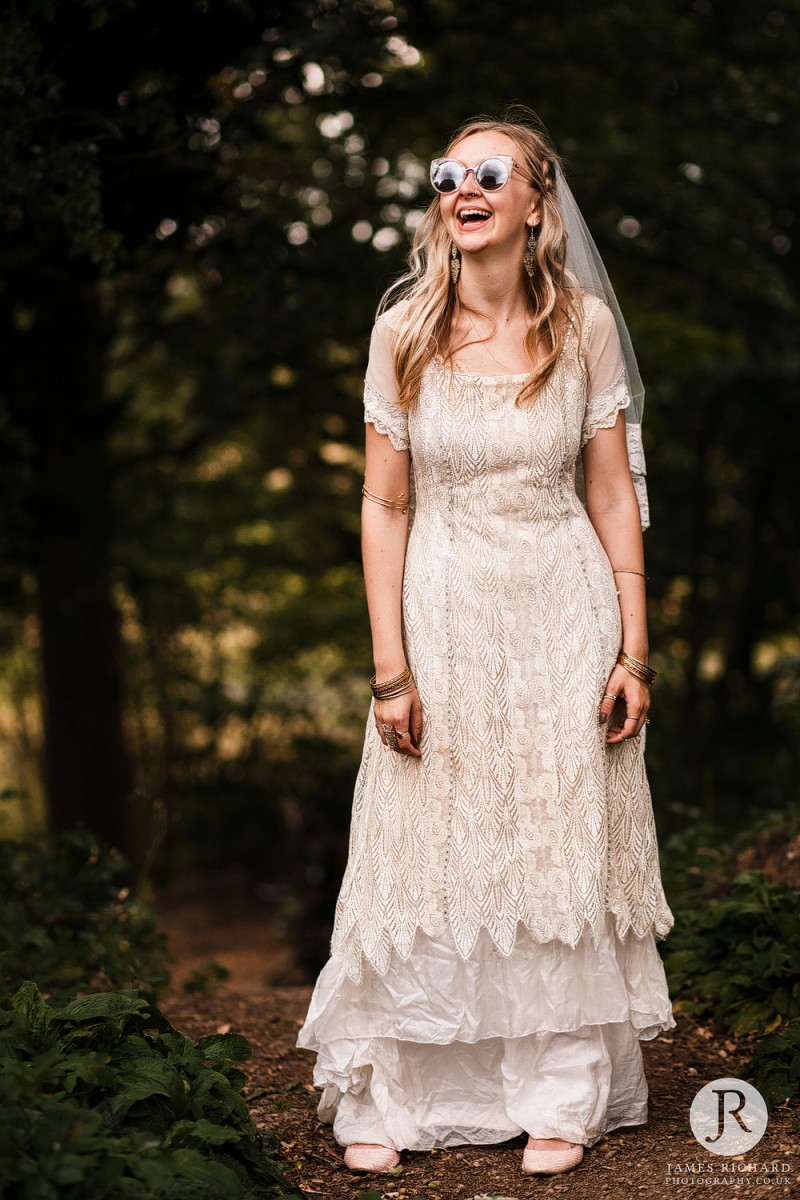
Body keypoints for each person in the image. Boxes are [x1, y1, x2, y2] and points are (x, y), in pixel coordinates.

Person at [295, 107, 675, 1178]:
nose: (461, 188)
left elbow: (609, 493)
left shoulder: (582, 328)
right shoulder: (402, 329)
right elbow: (382, 506)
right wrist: (389, 667)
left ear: (534, 204)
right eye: (446, 174)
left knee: (553, 840)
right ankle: (402, 1093)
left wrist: (630, 650)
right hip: (444, 610)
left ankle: (557, 1092)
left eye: (487, 173)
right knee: (427, 846)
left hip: (562, 609)